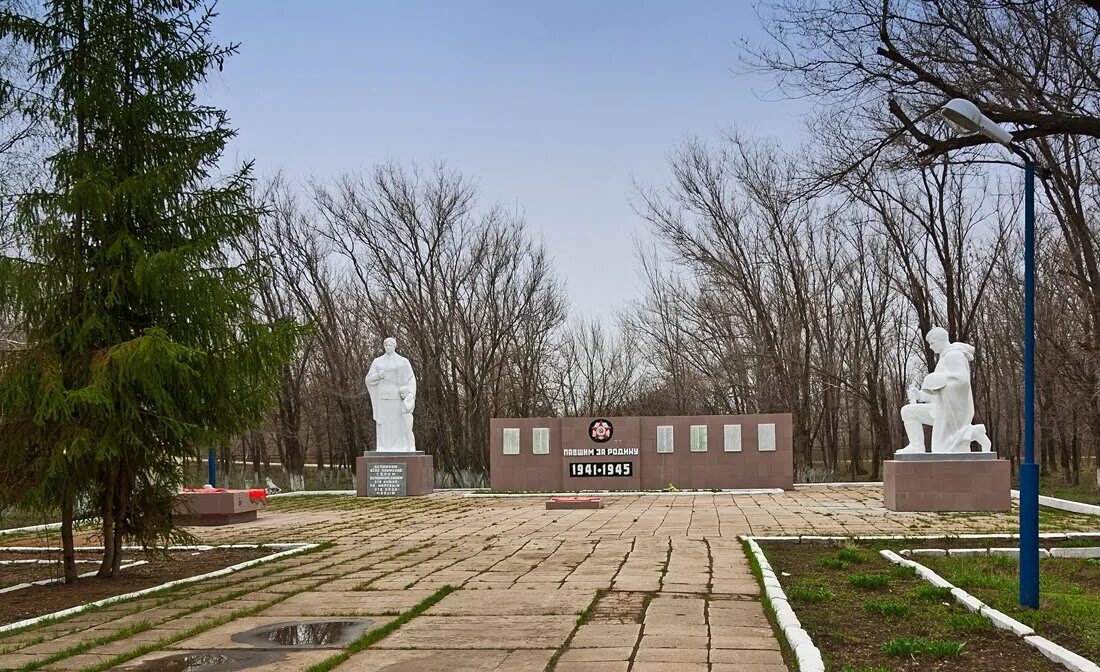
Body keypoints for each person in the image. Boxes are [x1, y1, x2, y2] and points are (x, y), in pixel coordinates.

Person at [897, 327, 992, 454]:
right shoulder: (944, 358)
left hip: (949, 411)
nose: (931, 347)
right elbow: (938, 393)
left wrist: (938, 379)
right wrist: (919, 395)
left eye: (932, 343)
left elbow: (962, 382)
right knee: (908, 411)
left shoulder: (954, 355)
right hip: (940, 408)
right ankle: (916, 446)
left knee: (941, 450)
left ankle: (974, 432)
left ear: (941, 340)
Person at [365, 337, 417, 452]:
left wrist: (410, 394)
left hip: (396, 397)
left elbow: (411, 379)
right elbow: (368, 380)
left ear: (395, 346)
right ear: (384, 346)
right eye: (386, 345)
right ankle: (383, 447)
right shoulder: (377, 362)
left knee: (396, 423)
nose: (388, 347)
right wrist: (378, 376)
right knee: (383, 423)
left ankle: (399, 446)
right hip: (382, 397)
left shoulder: (402, 361)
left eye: (390, 345)